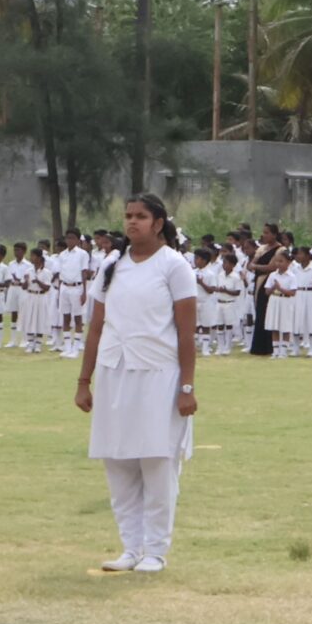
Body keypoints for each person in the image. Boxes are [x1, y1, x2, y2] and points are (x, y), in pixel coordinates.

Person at [75, 193, 199, 574]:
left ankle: (155, 551)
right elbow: (97, 327)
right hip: (115, 372)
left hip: (159, 375)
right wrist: (84, 380)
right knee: (118, 461)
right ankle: (131, 547)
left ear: (158, 223)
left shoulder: (174, 266)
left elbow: (186, 333)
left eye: (141, 216)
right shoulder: (112, 264)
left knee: (157, 462)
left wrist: (187, 387)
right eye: (128, 215)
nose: (132, 222)